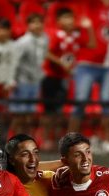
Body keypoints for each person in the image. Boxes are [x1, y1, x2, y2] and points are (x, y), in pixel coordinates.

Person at [67, 0, 109, 153]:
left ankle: (107, 142)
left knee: (106, 103)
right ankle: (70, 141)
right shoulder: (91, 6)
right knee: (80, 102)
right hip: (87, 65)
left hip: (107, 67)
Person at [40, 7, 95, 150]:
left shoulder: (76, 35)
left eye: (71, 18)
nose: (69, 21)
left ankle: (57, 141)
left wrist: (89, 29)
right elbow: (47, 53)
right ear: (58, 21)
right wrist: (61, 63)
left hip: (66, 78)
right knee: (49, 111)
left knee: (60, 111)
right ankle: (46, 140)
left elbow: (92, 45)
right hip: (52, 77)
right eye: (65, 18)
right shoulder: (55, 35)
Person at [9, 13, 48, 135]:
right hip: (22, 82)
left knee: (30, 114)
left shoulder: (45, 39)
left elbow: (42, 59)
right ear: (28, 25)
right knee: (19, 114)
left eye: (39, 22)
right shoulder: (23, 42)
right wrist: (12, 80)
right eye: (33, 22)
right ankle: (10, 140)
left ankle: (25, 140)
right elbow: (13, 62)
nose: (37, 25)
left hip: (35, 82)